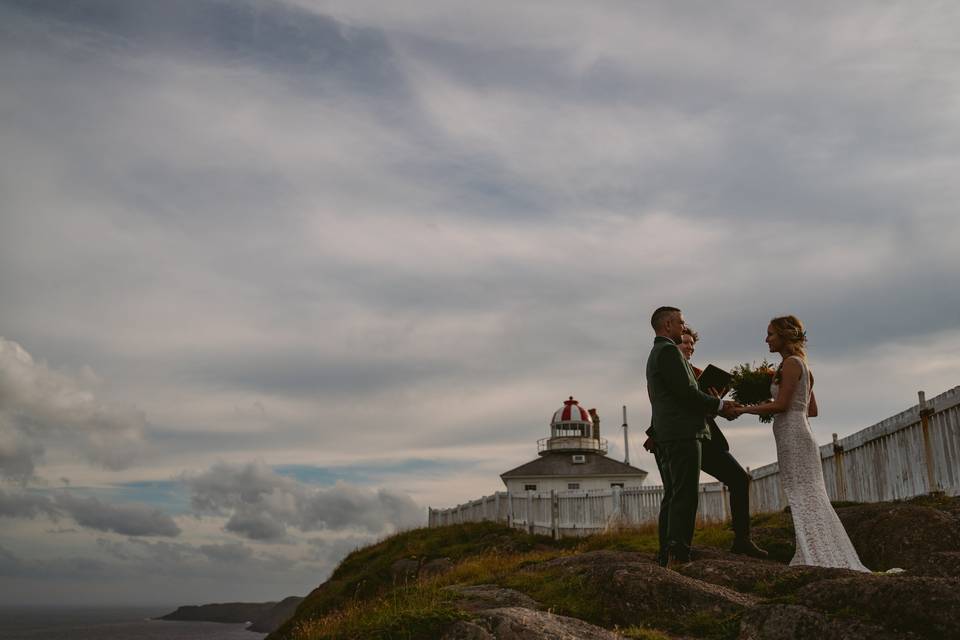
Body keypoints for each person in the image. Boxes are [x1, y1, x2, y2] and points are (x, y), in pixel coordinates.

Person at [733, 315, 870, 571]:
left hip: (792, 432)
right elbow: (812, 409)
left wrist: (744, 409)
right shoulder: (799, 364)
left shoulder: (792, 365)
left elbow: (783, 405)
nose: (766, 339)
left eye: (770, 334)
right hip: (797, 429)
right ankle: (813, 550)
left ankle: (815, 555)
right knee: (805, 493)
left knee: (802, 494)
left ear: (784, 336)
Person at [644, 326, 767, 565]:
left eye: (692, 344)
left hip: (705, 436)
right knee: (675, 493)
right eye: (685, 342)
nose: (689, 347)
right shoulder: (667, 367)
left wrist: (719, 403)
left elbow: (705, 406)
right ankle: (667, 551)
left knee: (739, 479)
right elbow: (664, 405)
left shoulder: (696, 373)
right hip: (680, 436)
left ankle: (742, 540)